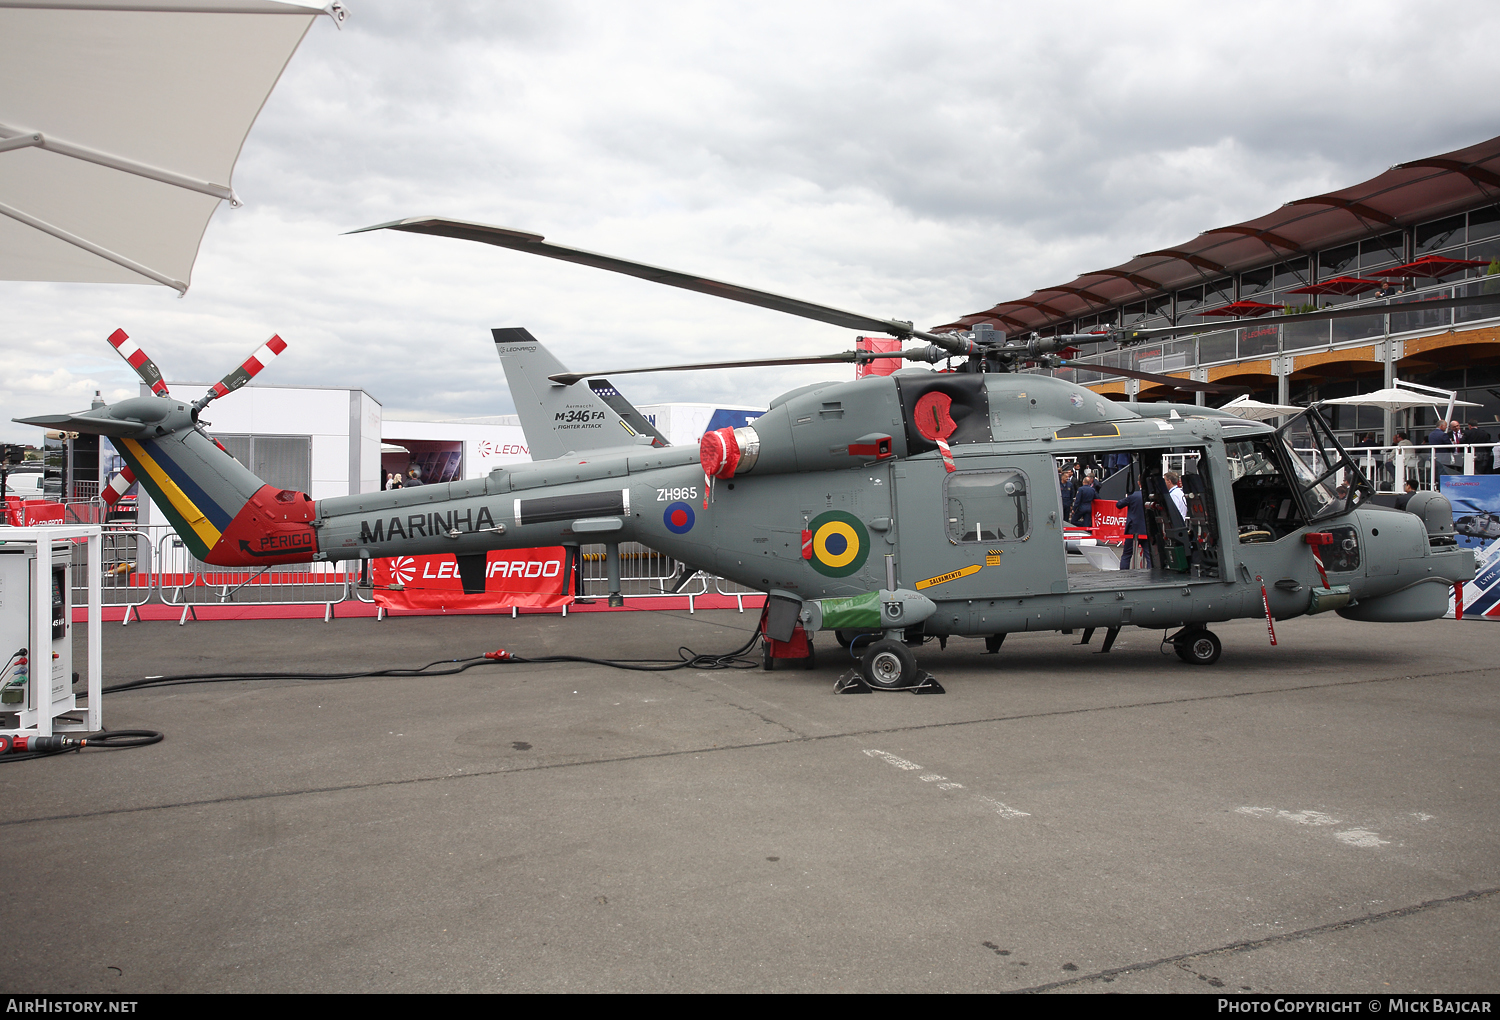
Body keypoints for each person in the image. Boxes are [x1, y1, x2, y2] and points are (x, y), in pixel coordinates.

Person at [1115, 486, 1150, 570]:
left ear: (1138, 483)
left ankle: (1124, 574)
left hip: (1133, 529)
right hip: (1147, 529)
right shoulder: (1150, 496)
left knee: (1127, 554)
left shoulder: (1134, 496)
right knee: (1149, 555)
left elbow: (1119, 504)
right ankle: (1151, 575)